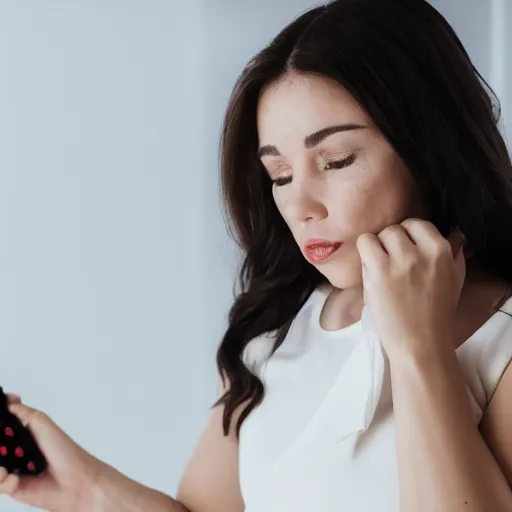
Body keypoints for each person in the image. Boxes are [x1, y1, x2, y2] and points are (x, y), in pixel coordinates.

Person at [2, 0, 512, 510]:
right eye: (280, 176)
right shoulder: (277, 327)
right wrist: (82, 490)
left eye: (335, 161)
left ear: (430, 147)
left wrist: (418, 350)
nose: (300, 206)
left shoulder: (501, 340)